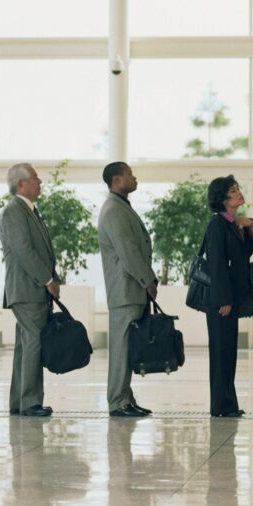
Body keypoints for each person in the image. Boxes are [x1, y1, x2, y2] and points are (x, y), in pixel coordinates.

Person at [97, 162, 157, 418]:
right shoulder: (113, 210)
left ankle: (126, 398)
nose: (135, 178)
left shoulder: (121, 207)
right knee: (121, 348)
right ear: (116, 179)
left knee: (128, 346)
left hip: (131, 291)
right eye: (130, 174)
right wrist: (147, 280)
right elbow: (128, 251)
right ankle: (118, 401)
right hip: (125, 291)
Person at [0, 163, 59, 417]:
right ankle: (31, 402)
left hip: (31, 290)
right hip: (26, 290)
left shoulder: (29, 210)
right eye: (35, 178)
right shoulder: (14, 211)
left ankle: (19, 401)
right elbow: (24, 251)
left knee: (26, 346)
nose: (40, 181)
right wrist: (47, 279)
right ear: (21, 184)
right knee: (34, 342)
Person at [202, 175, 253, 418]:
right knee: (221, 352)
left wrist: (251, 225)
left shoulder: (231, 224)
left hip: (230, 300)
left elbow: (243, 254)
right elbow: (216, 264)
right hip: (221, 302)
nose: (239, 193)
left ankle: (228, 404)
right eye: (234, 190)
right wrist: (223, 299)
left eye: (238, 188)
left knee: (229, 351)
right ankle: (220, 406)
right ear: (223, 199)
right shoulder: (217, 225)